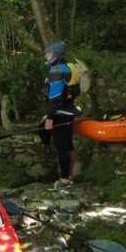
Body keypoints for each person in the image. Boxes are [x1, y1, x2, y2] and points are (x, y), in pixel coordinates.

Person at [39, 41, 81, 191]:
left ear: (56, 55)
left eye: (48, 53)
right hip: (69, 111)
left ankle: (64, 181)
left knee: (62, 147)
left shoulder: (56, 71)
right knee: (67, 145)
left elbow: (55, 97)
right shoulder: (70, 67)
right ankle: (68, 176)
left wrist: (50, 117)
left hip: (59, 113)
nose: (46, 55)